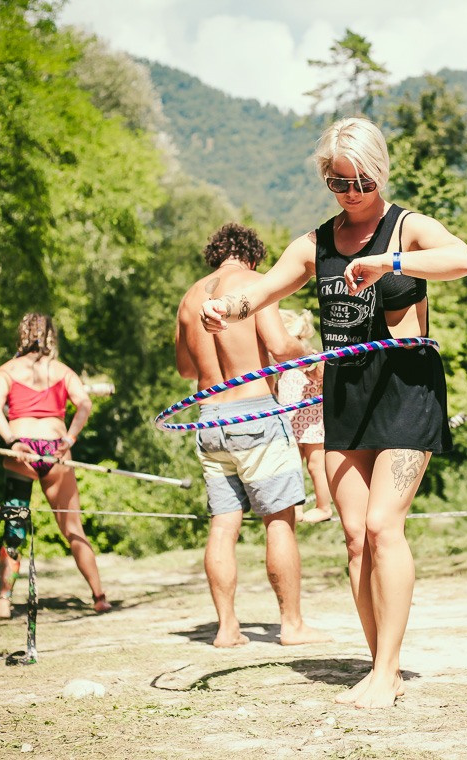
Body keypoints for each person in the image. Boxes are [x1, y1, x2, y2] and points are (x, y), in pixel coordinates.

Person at [201, 117, 467, 707]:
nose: (351, 193)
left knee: (382, 526)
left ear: (380, 172)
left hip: (405, 387)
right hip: (347, 391)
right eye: (338, 183)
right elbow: (263, 291)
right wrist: (226, 307)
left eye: (361, 182)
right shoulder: (316, 243)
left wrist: (390, 264)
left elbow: (464, 260)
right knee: (355, 538)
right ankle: (378, 666)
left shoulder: (408, 227)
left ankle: (390, 673)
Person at [176, 222, 331, 649]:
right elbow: (280, 347)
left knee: (223, 525)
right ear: (254, 255)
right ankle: (292, 625)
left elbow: (186, 369)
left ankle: (227, 628)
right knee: (279, 521)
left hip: (210, 418)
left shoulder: (190, 297)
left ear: (216, 254)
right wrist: (312, 358)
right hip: (255, 411)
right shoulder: (255, 284)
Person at [0, 313, 111, 619]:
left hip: (23, 449)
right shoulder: (62, 370)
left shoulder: (6, 370)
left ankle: (3, 601)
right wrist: (69, 437)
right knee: (73, 528)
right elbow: (84, 404)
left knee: (14, 528)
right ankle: (99, 597)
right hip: (56, 449)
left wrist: (12, 441)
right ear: (51, 336)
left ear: (22, 335)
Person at [276, 309, 333, 524]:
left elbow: (320, 373)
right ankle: (296, 508)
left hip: (311, 422)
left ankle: (324, 507)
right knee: (292, 467)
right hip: (290, 423)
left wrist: (310, 365)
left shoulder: (307, 356)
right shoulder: (283, 362)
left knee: (315, 466)